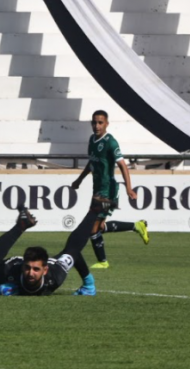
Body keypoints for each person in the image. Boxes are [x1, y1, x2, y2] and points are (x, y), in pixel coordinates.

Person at [71, 110, 149, 270]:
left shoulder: (111, 142)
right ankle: (137, 226)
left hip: (108, 191)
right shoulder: (92, 140)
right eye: (94, 122)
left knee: (92, 227)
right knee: (99, 228)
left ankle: (103, 261)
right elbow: (91, 163)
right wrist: (79, 180)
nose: (97, 125)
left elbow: (122, 165)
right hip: (97, 190)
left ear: (107, 124)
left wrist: (129, 188)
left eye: (100, 122)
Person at [0, 208, 97, 296]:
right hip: (11, 264)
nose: (30, 273)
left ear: (45, 270)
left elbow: (74, 253)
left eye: (36, 269)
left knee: (71, 250)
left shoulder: (55, 277)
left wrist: (88, 285)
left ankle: (94, 210)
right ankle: (19, 228)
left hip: (50, 266)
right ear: (23, 267)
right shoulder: (8, 273)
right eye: (27, 268)